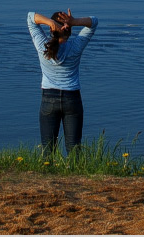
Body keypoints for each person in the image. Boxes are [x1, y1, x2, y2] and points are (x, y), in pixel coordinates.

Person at [27, 9, 98, 155]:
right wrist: (74, 21)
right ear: (69, 30)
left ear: (51, 29)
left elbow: (30, 17)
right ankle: (76, 176)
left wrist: (50, 22)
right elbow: (94, 22)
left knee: (48, 149)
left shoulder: (43, 46)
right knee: (74, 149)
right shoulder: (76, 46)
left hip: (48, 99)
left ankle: (48, 175)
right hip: (72, 100)